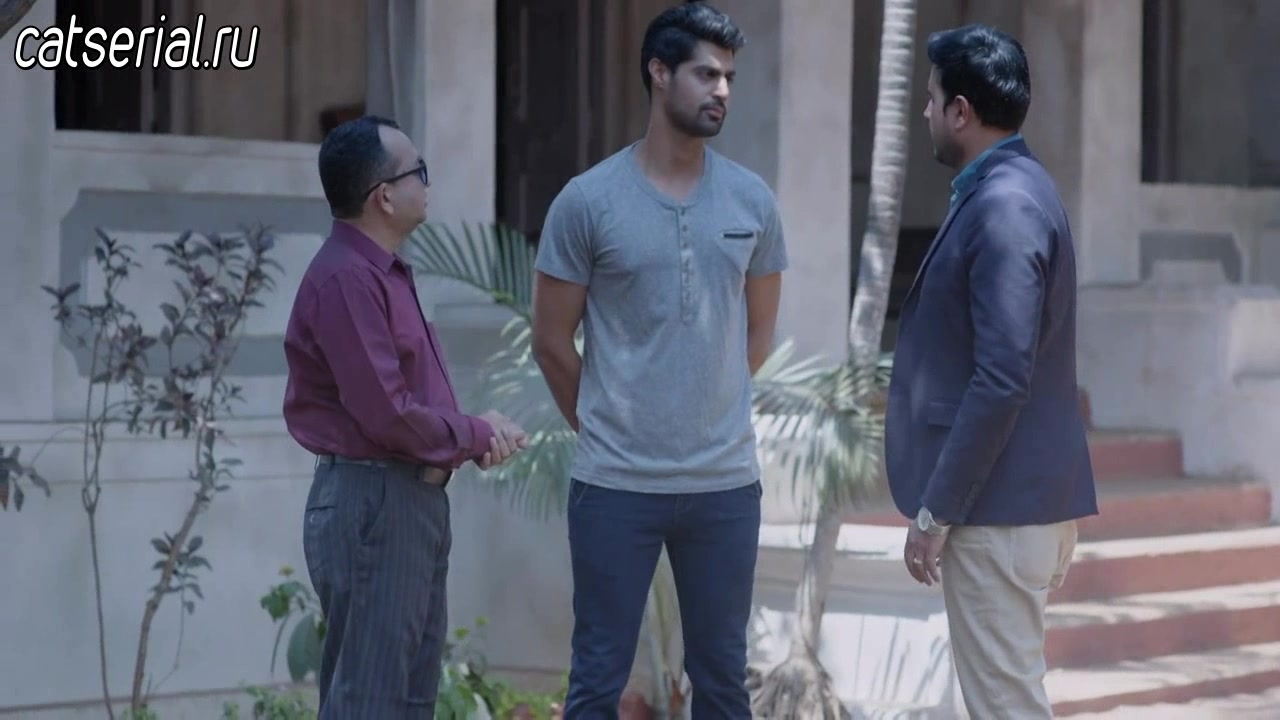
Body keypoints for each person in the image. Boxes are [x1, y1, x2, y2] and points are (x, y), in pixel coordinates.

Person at [531, 2, 787, 716]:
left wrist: (706, 412)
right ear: (659, 72)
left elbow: (758, 334)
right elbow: (550, 342)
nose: (722, 90)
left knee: (723, 680)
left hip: (724, 485)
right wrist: (609, 427)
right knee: (596, 680)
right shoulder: (587, 202)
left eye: (729, 77)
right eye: (706, 74)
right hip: (614, 485)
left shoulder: (752, 201)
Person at [883, 24, 1098, 719]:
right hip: (1014, 504)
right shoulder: (1013, 189)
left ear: (961, 111)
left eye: (931, 98)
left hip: (996, 512)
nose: (925, 111)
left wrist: (936, 510)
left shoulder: (1005, 205)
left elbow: (1002, 376)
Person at [282, 115, 527, 718]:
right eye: (418, 171)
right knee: (372, 702)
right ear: (384, 197)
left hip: (407, 501)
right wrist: (475, 433)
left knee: (409, 700)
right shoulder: (348, 279)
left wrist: (468, 436)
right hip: (378, 502)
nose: (428, 183)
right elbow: (387, 414)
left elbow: (404, 403)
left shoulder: (379, 273)